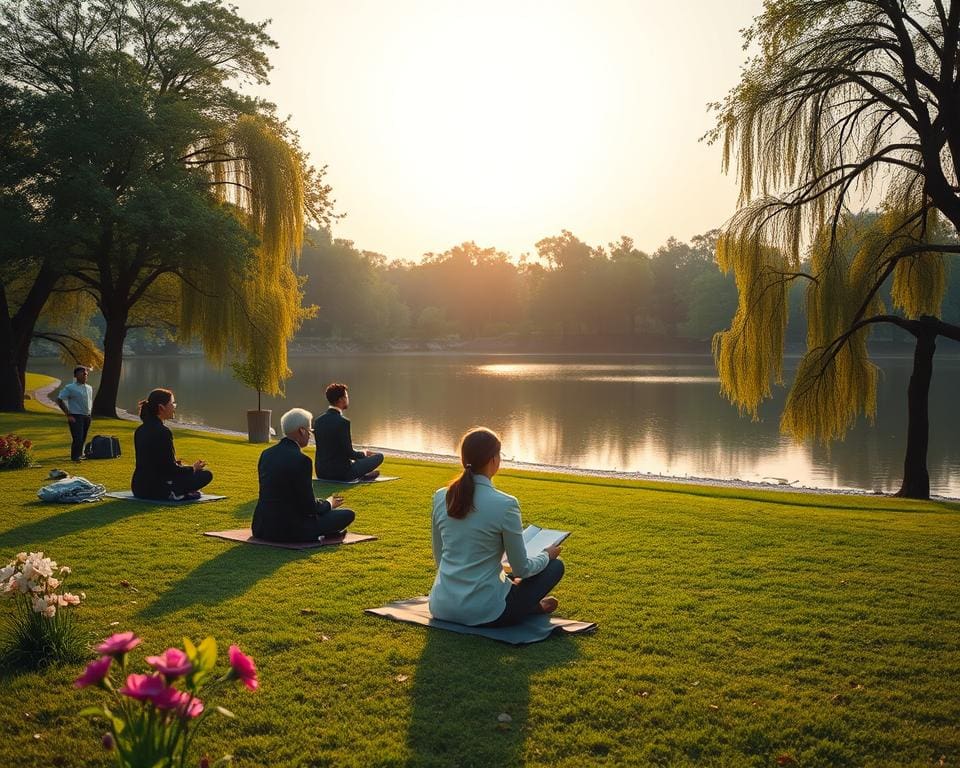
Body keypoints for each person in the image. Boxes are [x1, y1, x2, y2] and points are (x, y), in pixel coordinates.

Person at [429, 426, 564, 627]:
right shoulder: (506, 504)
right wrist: (546, 554)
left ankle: (529, 604)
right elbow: (522, 569)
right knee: (555, 566)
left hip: (442, 606)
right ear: (493, 459)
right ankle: (529, 607)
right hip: (485, 612)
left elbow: (440, 557)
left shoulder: (441, 496)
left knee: (503, 574)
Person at [252, 408, 356, 542]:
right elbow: (309, 507)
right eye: (309, 431)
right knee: (348, 514)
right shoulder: (302, 460)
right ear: (301, 431)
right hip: (290, 529)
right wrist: (329, 503)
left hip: (262, 527)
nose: (310, 435)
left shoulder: (266, 454)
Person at [131, 388, 213, 501]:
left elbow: (156, 463)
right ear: (161, 407)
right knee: (206, 475)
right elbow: (170, 470)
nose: (174, 407)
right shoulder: (163, 432)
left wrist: (179, 465)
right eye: (172, 404)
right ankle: (176, 493)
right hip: (157, 488)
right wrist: (193, 468)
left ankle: (181, 492)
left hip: (139, 488)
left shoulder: (140, 430)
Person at [313, 382, 384, 481]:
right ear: (341, 399)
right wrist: (364, 453)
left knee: (356, 462)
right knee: (379, 456)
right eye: (346, 396)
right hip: (341, 473)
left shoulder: (318, 421)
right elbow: (350, 454)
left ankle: (363, 475)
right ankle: (361, 474)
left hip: (321, 473)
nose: (347, 399)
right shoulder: (343, 422)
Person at [56, 366, 94, 462]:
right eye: (83, 373)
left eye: (86, 374)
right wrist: (68, 415)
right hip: (76, 416)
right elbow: (59, 400)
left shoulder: (89, 388)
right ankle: (75, 457)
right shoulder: (70, 387)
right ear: (76, 375)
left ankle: (80, 454)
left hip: (87, 416)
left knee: (83, 438)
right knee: (78, 438)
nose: (85, 375)